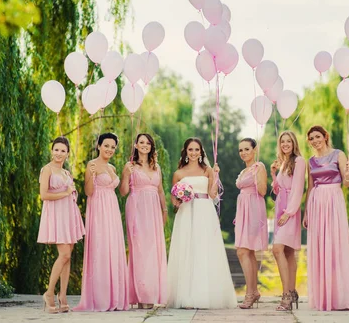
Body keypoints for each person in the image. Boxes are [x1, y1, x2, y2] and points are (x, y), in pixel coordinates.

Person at [167, 137, 237, 309]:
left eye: (196, 150)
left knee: (203, 249)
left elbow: (213, 195)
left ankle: (204, 295)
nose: (193, 153)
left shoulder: (207, 170)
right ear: (185, 151)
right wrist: (177, 200)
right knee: (187, 249)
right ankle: (186, 296)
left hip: (204, 210)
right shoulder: (179, 173)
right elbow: (173, 197)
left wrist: (217, 175)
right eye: (190, 149)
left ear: (201, 152)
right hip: (186, 212)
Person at [303, 125, 349, 311]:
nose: (315, 140)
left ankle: (339, 297)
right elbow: (310, 187)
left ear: (325, 136)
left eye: (318, 136)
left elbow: (346, 183)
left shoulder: (338, 154)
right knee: (320, 248)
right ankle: (323, 297)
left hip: (333, 200)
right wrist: (306, 212)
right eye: (311, 138)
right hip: (316, 202)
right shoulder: (310, 161)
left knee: (335, 246)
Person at [73, 133, 129, 312]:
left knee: (113, 247)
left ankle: (116, 297)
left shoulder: (112, 167)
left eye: (113, 147)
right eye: (106, 145)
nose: (110, 150)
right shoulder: (92, 165)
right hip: (97, 209)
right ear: (99, 145)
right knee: (100, 247)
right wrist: (90, 175)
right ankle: (99, 298)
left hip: (111, 209)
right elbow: (88, 191)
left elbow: (119, 191)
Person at [37, 136, 85, 314]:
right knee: (64, 254)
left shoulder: (66, 173)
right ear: (52, 151)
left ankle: (63, 295)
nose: (59, 153)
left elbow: (70, 192)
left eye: (62, 150)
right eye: (56, 149)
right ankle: (49, 293)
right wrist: (65, 193)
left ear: (67, 153)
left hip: (69, 214)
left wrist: (72, 194)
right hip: (56, 214)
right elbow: (44, 195)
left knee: (68, 256)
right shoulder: (47, 170)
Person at [120, 133, 167, 309]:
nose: (145, 145)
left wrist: (164, 210)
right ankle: (139, 295)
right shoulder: (130, 166)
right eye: (141, 142)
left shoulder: (157, 167)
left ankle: (150, 294)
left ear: (151, 146)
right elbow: (123, 192)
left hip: (154, 209)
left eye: (148, 143)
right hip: (137, 207)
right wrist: (125, 175)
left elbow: (160, 190)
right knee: (139, 249)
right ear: (136, 145)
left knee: (153, 250)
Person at [270, 130, 305, 311]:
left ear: (294, 143)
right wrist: (273, 173)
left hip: (290, 210)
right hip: (280, 208)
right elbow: (277, 190)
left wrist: (289, 212)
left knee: (277, 249)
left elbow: (298, 188)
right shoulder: (284, 163)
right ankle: (291, 291)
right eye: (282, 141)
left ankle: (285, 296)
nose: (285, 144)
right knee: (289, 252)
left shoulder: (299, 161)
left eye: (288, 141)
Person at [234, 138, 268, 309]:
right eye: (241, 150)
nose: (244, 152)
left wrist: (257, 177)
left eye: (247, 149)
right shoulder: (243, 171)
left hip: (254, 210)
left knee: (242, 251)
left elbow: (262, 191)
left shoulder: (259, 167)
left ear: (255, 150)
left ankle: (250, 292)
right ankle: (254, 291)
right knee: (248, 252)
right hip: (243, 211)